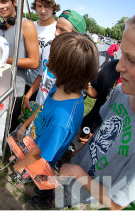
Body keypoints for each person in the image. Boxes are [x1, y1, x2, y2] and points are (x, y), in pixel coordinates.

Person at [39, 15, 135, 210]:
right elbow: (100, 131)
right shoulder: (121, 93)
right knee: (59, 189)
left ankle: (50, 204)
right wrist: (79, 154)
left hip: (91, 188)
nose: (118, 66)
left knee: (63, 200)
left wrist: (77, 172)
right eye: (122, 55)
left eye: (132, 59)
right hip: (78, 165)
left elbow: (117, 204)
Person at [12, 32, 98, 194]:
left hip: (41, 156)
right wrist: (26, 123)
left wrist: (19, 165)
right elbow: (43, 106)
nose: (48, 62)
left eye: (53, 59)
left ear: (64, 70)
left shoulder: (62, 119)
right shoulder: (61, 86)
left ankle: (42, 193)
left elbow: (39, 154)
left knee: (36, 177)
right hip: (36, 141)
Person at [0, 0, 39, 132]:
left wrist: (2, 59)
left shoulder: (26, 25)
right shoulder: (1, 28)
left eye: (5, 2)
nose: (1, 6)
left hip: (15, 89)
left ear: (14, 2)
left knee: (8, 127)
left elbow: (34, 61)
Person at [22, 9, 87, 115]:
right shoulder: (48, 47)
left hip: (54, 113)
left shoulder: (76, 63)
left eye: (62, 30)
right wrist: (28, 95)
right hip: (39, 106)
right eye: (56, 27)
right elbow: (41, 74)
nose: (56, 33)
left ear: (76, 35)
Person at [25, 0, 60, 100]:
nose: (43, 10)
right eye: (39, 6)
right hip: (27, 82)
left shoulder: (58, 29)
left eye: (47, 6)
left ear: (53, 7)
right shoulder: (30, 26)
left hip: (46, 87)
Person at [79, 59, 120, 143]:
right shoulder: (113, 65)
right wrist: (87, 88)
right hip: (88, 126)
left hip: (107, 141)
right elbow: (96, 92)